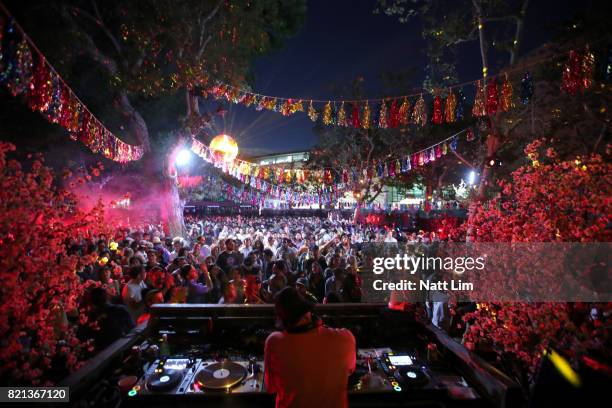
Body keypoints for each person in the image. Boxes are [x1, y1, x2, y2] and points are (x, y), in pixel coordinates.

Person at [264, 287, 355, 408]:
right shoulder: (346, 338)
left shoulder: (274, 342)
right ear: (308, 314)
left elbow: (270, 387)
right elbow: (350, 370)